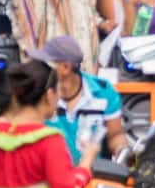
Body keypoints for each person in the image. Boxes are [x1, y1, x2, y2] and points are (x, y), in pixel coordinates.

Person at [34, 36, 127, 165]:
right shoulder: (38, 92)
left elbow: (116, 135)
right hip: (50, 176)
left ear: (65, 67)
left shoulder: (103, 92)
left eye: (45, 64)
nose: (39, 69)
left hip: (92, 177)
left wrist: (122, 151)